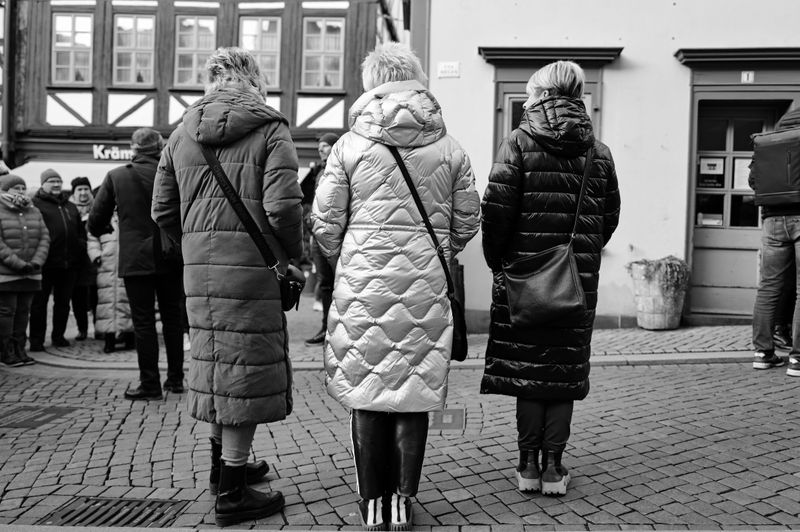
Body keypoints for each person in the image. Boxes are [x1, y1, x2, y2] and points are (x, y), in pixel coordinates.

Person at [312, 43, 480, 531]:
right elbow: (468, 221)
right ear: (417, 82)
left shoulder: (348, 146)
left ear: (372, 84)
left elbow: (324, 224)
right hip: (425, 283)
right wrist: (436, 251)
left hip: (362, 286)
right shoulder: (450, 147)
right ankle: (404, 500)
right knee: (414, 387)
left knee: (368, 390)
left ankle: (371, 504)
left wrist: (353, 256)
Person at [152, 47, 301, 527]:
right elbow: (282, 208)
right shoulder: (270, 129)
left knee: (217, 363)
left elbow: (161, 211)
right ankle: (234, 492)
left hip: (199, 272)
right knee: (246, 369)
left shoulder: (180, 135)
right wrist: (289, 256)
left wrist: (193, 245)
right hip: (252, 269)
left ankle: (222, 469)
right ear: (255, 81)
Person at [480, 61, 621, 496]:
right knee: (562, 371)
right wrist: (580, 253)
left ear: (538, 93)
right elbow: (609, 218)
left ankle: (526, 465)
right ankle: (555, 468)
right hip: (576, 279)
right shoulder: (598, 152)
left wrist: (499, 261)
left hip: (524, 277)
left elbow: (496, 213)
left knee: (529, 370)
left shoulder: (518, 142)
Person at [89, 128, 185, 400]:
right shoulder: (175, 172)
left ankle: (150, 384)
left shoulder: (117, 176)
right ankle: (176, 379)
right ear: (160, 146)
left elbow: (95, 220)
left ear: (133, 148)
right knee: (173, 320)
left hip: (136, 259)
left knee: (143, 323)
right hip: (171, 256)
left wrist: (107, 228)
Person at [750, 106, 800, 374]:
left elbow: (752, 180)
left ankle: (762, 353)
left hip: (771, 221)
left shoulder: (768, 143)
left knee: (768, 288)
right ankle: (798, 359)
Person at [30, 168, 87, 351]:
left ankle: (58, 336)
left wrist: (80, 245)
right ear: (43, 184)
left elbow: (80, 232)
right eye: (51, 181)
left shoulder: (69, 206)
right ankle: (36, 341)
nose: (56, 184)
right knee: (39, 304)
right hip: (45, 264)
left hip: (69, 264)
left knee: (63, 303)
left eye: (58, 181)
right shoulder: (35, 204)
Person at [0, 174, 50, 366]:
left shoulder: (34, 210)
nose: (21, 192)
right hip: (7, 274)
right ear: (4, 190)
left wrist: (36, 261)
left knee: (23, 312)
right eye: (16, 188)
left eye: (23, 188)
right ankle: (6, 352)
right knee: (7, 312)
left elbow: (45, 238)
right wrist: (17, 263)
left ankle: (20, 349)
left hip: (31, 272)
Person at [302, 132, 339, 346]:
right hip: (318, 235)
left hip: (334, 235)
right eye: (320, 146)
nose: (321, 148)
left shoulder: (342, 169)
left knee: (339, 283)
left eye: (326, 145)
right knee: (325, 284)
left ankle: (338, 329)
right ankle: (326, 329)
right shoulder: (319, 172)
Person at [87, 212, 134, 353]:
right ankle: (109, 339)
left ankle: (129, 337)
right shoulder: (103, 216)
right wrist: (95, 254)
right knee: (107, 303)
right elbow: (92, 237)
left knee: (127, 303)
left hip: (128, 264)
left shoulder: (128, 212)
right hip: (106, 266)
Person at [69, 176, 97, 341]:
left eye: (86, 189)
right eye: (79, 189)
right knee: (78, 298)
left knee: (96, 297)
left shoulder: (97, 208)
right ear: (74, 192)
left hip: (95, 262)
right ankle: (82, 329)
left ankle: (99, 329)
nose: (83, 192)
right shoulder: (69, 210)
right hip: (77, 262)